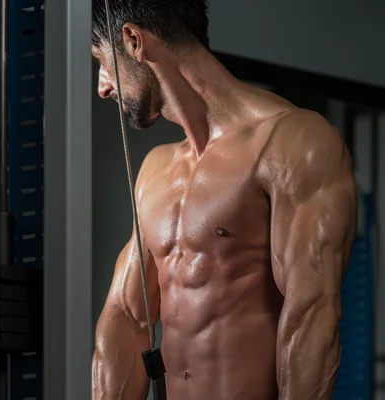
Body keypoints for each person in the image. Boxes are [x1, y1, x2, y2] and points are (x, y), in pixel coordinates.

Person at [90, 1, 357, 399]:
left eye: (102, 60)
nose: (103, 86)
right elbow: (127, 318)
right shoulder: (154, 171)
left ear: (133, 40)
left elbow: (311, 316)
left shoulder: (292, 144)